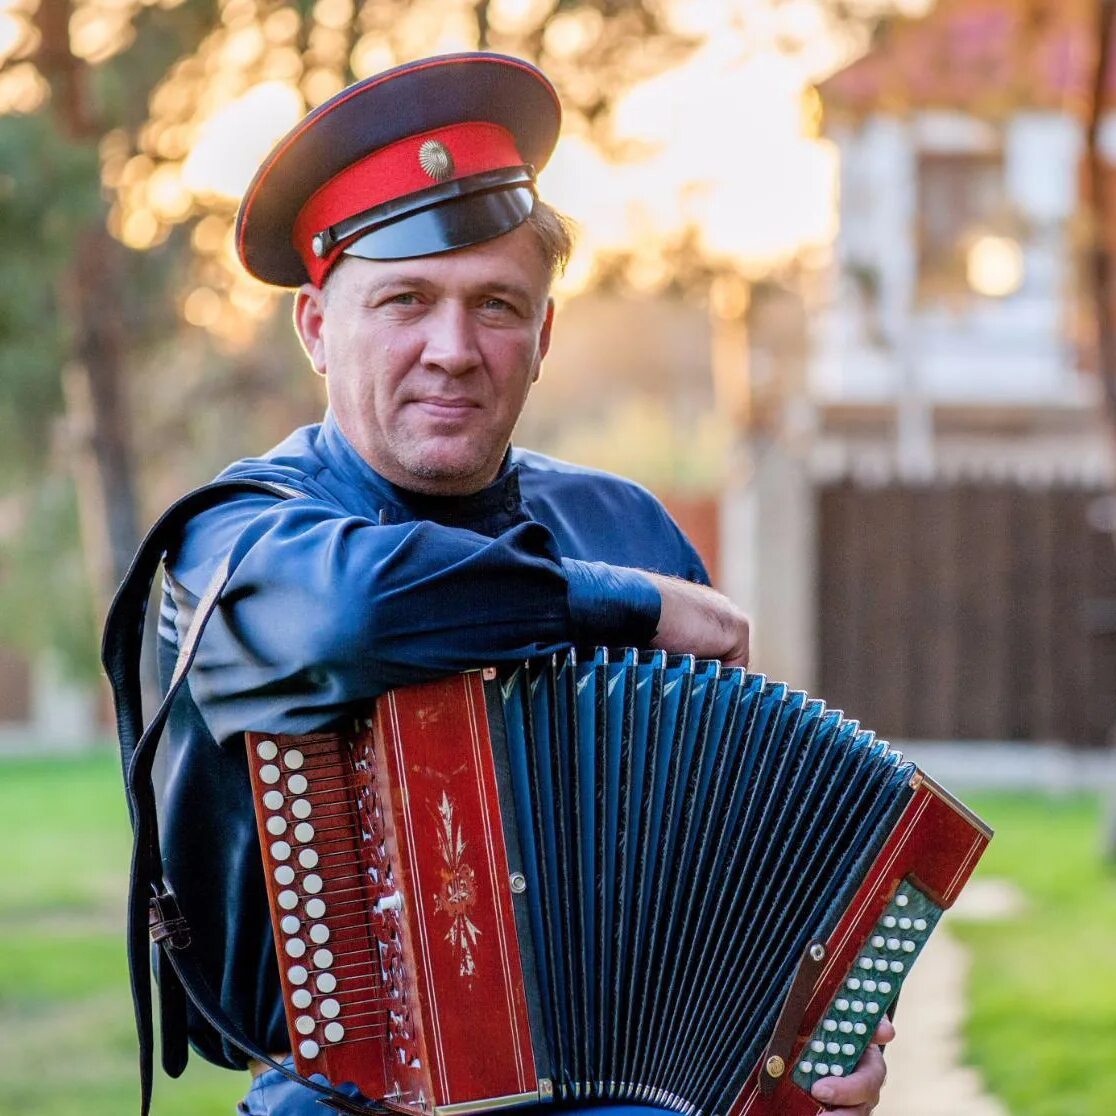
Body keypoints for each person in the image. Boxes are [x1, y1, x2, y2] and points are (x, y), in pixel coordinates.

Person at [148, 52, 892, 1116]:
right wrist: (632, 605)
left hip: (628, 1086)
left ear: (543, 337)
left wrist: (817, 1030)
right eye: (406, 300)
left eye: (496, 306)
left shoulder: (627, 522)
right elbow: (356, 614)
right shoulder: (237, 537)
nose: (453, 350)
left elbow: (734, 859)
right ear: (318, 328)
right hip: (346, 1099)